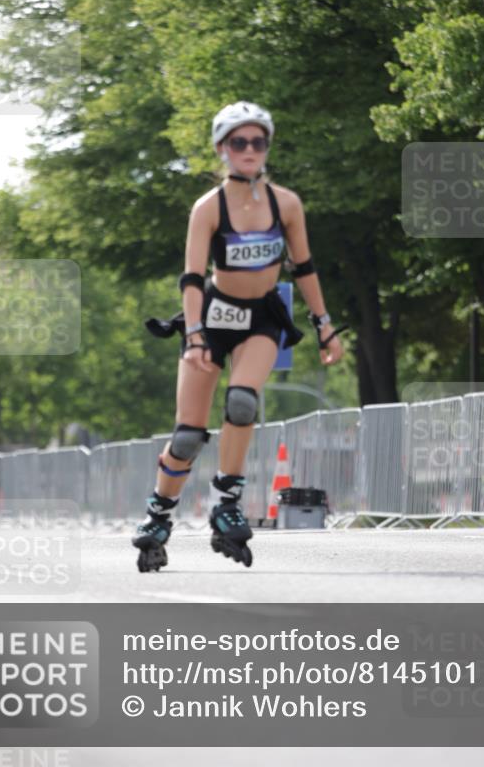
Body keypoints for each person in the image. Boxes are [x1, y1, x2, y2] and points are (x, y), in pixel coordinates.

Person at [133, 101, 346, 572]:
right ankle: (158, 515)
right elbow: (190, 277)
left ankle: (226, 500)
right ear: (222, 149)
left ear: (266, 147)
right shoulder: (208, 208)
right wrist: (193, 335)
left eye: (258, 141)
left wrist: (324, 324)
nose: (249, 150)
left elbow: (305, 267)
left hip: (261, 317)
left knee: (242, 403)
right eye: (239, 142)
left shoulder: (285, 204)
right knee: (188, 436)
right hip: (212, 317)